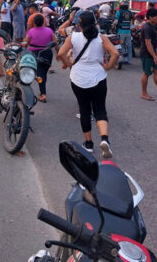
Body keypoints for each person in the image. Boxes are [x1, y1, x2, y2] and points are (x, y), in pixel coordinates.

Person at [57, 11, 120, 158]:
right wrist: (108, 67)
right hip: (98, 77)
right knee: (100, 110)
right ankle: (105, 140)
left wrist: (69, 64)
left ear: (79, 24)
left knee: (84, 110)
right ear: (95, 22)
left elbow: (60, 54)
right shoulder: (101, 38)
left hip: (78, 78)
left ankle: (89, 144)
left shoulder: (73, 37)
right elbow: (115, 53)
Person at [24, 14, 56, 102]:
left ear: (34, 22)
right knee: (43, 72)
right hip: (48, 54)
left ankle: (43, 94)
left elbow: (26, 44)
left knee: (40, 74)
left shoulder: (31, 31)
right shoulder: (49, 30)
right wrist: (59, 55)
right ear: (43, 22)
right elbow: (55, 43)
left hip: (36, 54)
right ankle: (42, 90)